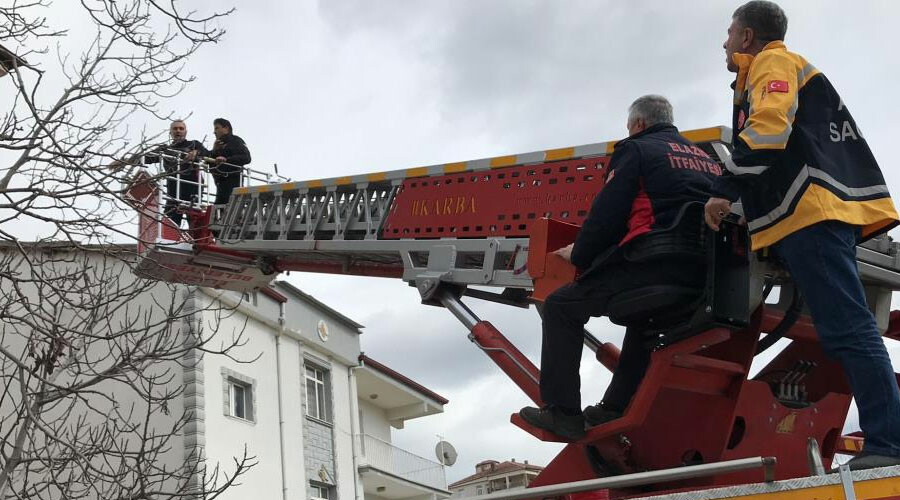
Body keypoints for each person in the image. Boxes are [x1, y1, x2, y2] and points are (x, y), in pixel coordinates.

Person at [704, 1, 900, 470]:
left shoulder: (772, 62)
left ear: (748, 37)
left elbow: (769, 130)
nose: (724, 42)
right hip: (810, 216)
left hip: (810, 216)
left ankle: (889, 444)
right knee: (847, 329)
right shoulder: (780, 66)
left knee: (850, 330)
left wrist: (723, 190)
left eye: (730, 33)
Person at [519, 95, 723, 440]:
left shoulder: (636, 149)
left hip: (654, 265)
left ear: (639, 125)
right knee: (645, 320)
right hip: (703, 277)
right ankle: (615, 406)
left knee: (560, 306)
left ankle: (562, 413)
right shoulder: (707, 159)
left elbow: (608, 215)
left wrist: (579, 254)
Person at [144, 120, 208, 227]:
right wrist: (124, 161)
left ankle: (195, 243)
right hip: (173, 192)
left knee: (195, 224)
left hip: (192, 189)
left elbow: (207, 154)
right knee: (169, 225)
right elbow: (145, 157)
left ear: (185, 132)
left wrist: (197, 152)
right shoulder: (165, 150)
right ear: (170, 132)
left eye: (181, 128)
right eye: (175, 128)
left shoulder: (194, 144)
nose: (178, 131)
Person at [210, 118, 252, 204]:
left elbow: (247, 157)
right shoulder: (218, 145)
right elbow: (209, 161)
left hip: (233, 181)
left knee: (227, 206)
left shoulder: (236, 141)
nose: (214, 132)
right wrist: (214, 150)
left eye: (217, 128)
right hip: (220, 182)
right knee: (219, 208)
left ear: (226, 128)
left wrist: (227, 160)